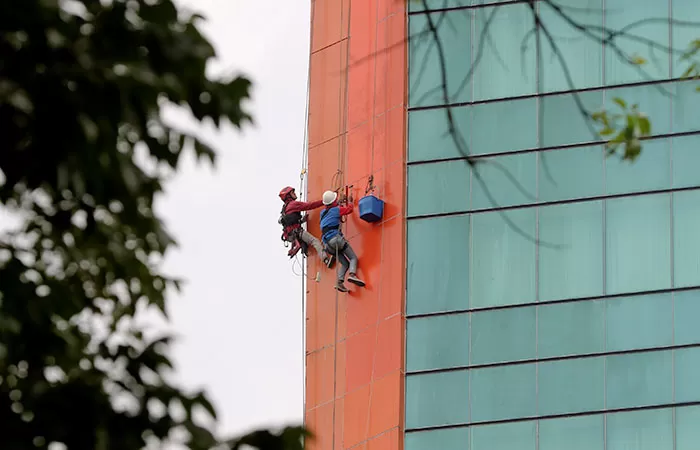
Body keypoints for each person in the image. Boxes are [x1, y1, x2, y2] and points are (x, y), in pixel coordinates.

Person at [319, 190, 366, 292]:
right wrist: (350, 201)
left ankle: (339, 282)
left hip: (327, 245)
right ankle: (352, 274)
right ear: (333, 201)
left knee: (345, 263)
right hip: (336, 239)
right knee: (353, 258)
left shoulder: (322, 213)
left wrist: (339, 203)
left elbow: (331, 216)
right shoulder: (336, 210)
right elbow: (349, 210)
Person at [279, 186, 333, 267]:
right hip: (296, 232)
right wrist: (325, 201)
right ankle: (325, 259)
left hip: (291, 235)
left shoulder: (285, 208)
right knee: (315, 241)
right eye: (292, 193)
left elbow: (291, 221)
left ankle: (305, 250)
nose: (295, 194)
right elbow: (310, 205)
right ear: (288, 196)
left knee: (306, 244)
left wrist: (302, 220)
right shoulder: (293, 204)